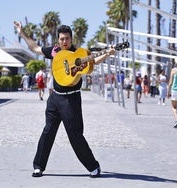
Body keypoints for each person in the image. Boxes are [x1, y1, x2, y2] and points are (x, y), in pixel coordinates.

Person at [14, 21, 115, 178]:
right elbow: (34, 47)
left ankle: (93, 167)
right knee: (48, 131)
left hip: (71, 100)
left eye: (67, 39)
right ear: (58, 40)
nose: (64, 42)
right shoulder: (54, 51)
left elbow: (93, 61)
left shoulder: (78, 53)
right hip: (54, 99)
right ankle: (38, 166)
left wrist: (108, 53)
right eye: (61, 39)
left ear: (71, 39)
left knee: (75, 135)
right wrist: (22, 32)